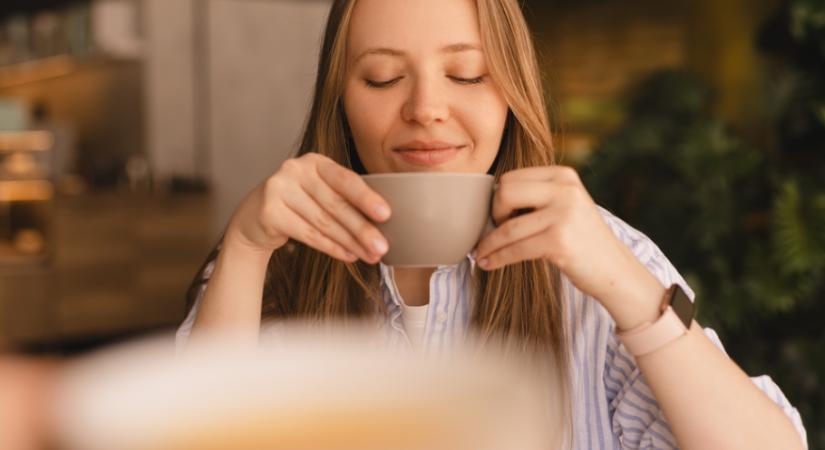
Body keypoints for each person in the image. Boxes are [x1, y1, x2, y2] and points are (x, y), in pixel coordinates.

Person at [176, 0, 808, 448]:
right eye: (383, 77)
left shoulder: (603, 262)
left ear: (511, 91)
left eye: (467, 74)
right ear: (340, 102)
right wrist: (246, 247)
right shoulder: (267, 261)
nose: (426, 109)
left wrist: (627, 286)